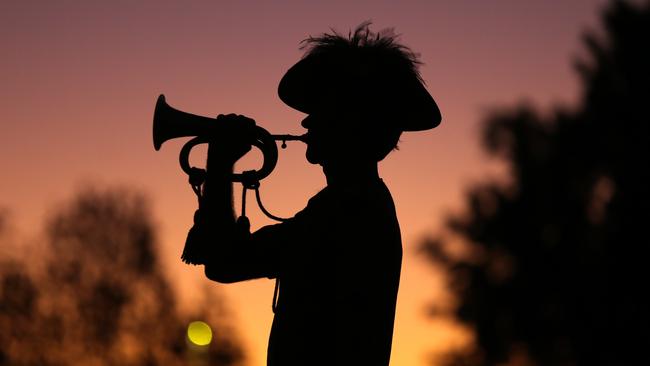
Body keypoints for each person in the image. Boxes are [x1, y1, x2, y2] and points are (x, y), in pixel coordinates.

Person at [186, 22, 441, 366]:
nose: (306, 123)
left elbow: (224, 262)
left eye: (322, 110)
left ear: (351, 123)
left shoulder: (347, 212)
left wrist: (220, 160)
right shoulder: (357, 205)